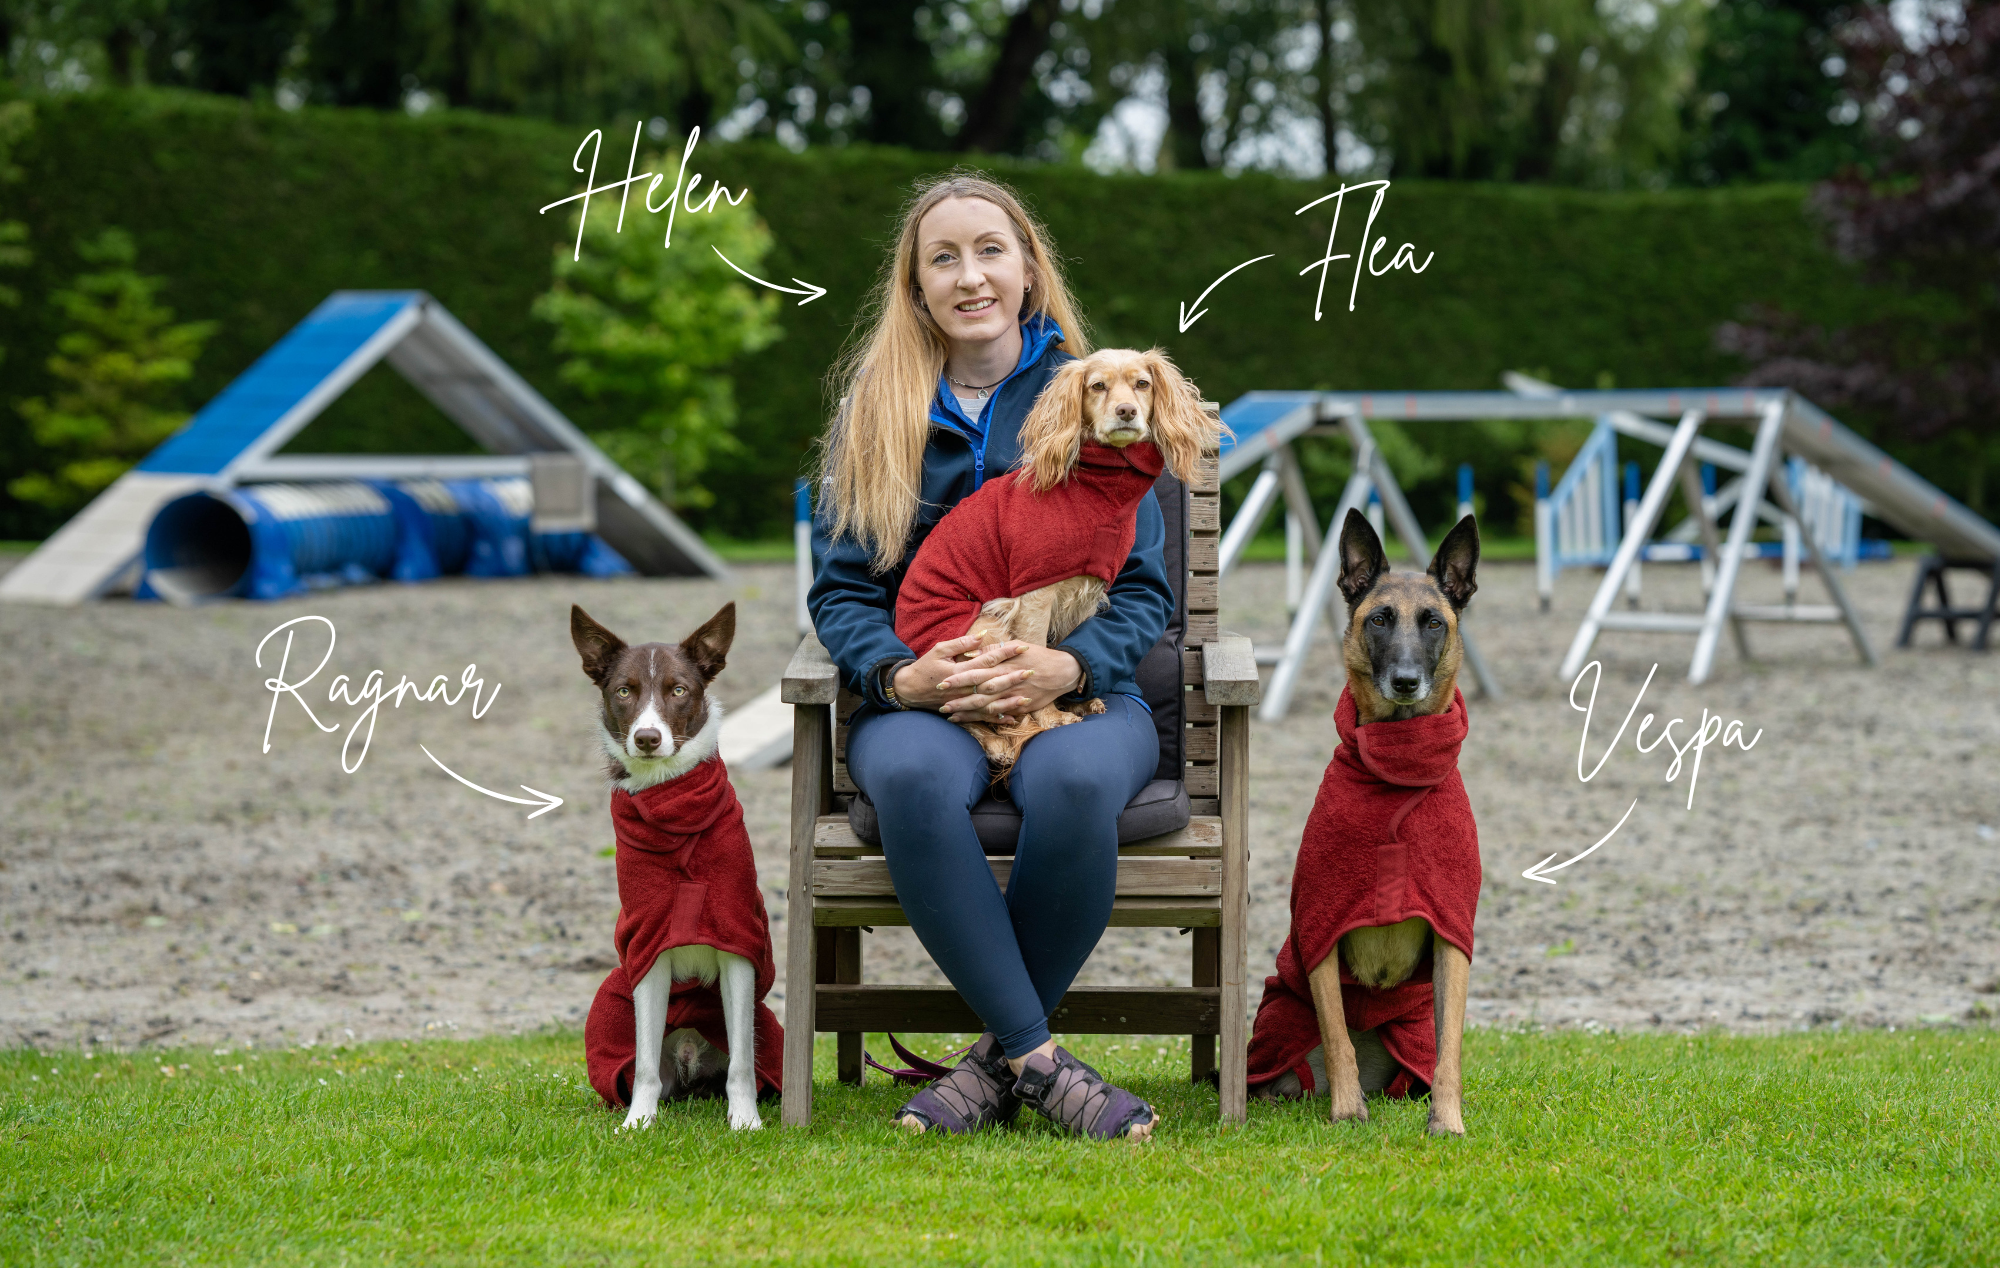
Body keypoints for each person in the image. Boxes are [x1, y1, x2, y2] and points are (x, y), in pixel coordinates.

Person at [809, 173, 1170, 1141]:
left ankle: (992, 1068)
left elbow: (1142, 592)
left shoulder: (1094, 392)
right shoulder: (871, 415)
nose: (970, 276)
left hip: (1081, 694)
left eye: (990, 251)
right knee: (916, 780)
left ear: (1026, 268)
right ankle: (1041, 1063)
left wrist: (1071, 667)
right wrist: (898, 674)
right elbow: (839, 594)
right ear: (915, 285)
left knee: (1075, 781)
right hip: (921, 695)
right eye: (943, 257)